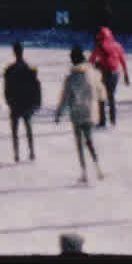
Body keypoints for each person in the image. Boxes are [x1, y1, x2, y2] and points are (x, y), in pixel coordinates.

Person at [53, 46, 105, 183]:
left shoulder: (70, 78)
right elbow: (101, 90)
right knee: (90, 141)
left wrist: (59, 113)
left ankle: (84, 173)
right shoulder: (93, 73)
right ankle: (98, 168)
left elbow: (64, 98)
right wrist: (101, 102)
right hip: (90, 111)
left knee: (79, 144)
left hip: (76, 113)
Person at [3, 41, 42, 163]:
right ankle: (32, 152)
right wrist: (37, 102)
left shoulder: (9, 70)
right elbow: (37, 87)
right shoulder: (30, 69)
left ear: (14, 52)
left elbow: (6, 88)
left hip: (15, 103)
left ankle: (16, 154)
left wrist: (8, 101)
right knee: (28, 128)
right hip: (27, 104)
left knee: (15, 130)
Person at [90, 25, 126, 127]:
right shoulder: (117, 45)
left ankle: (102, 121)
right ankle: (113, 120)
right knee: (111, 97)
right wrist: (126, 74)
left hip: (103, 73)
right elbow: (122, 61)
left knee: (101, 97)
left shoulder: (98, 46)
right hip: (115, 73)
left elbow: (91, 61)